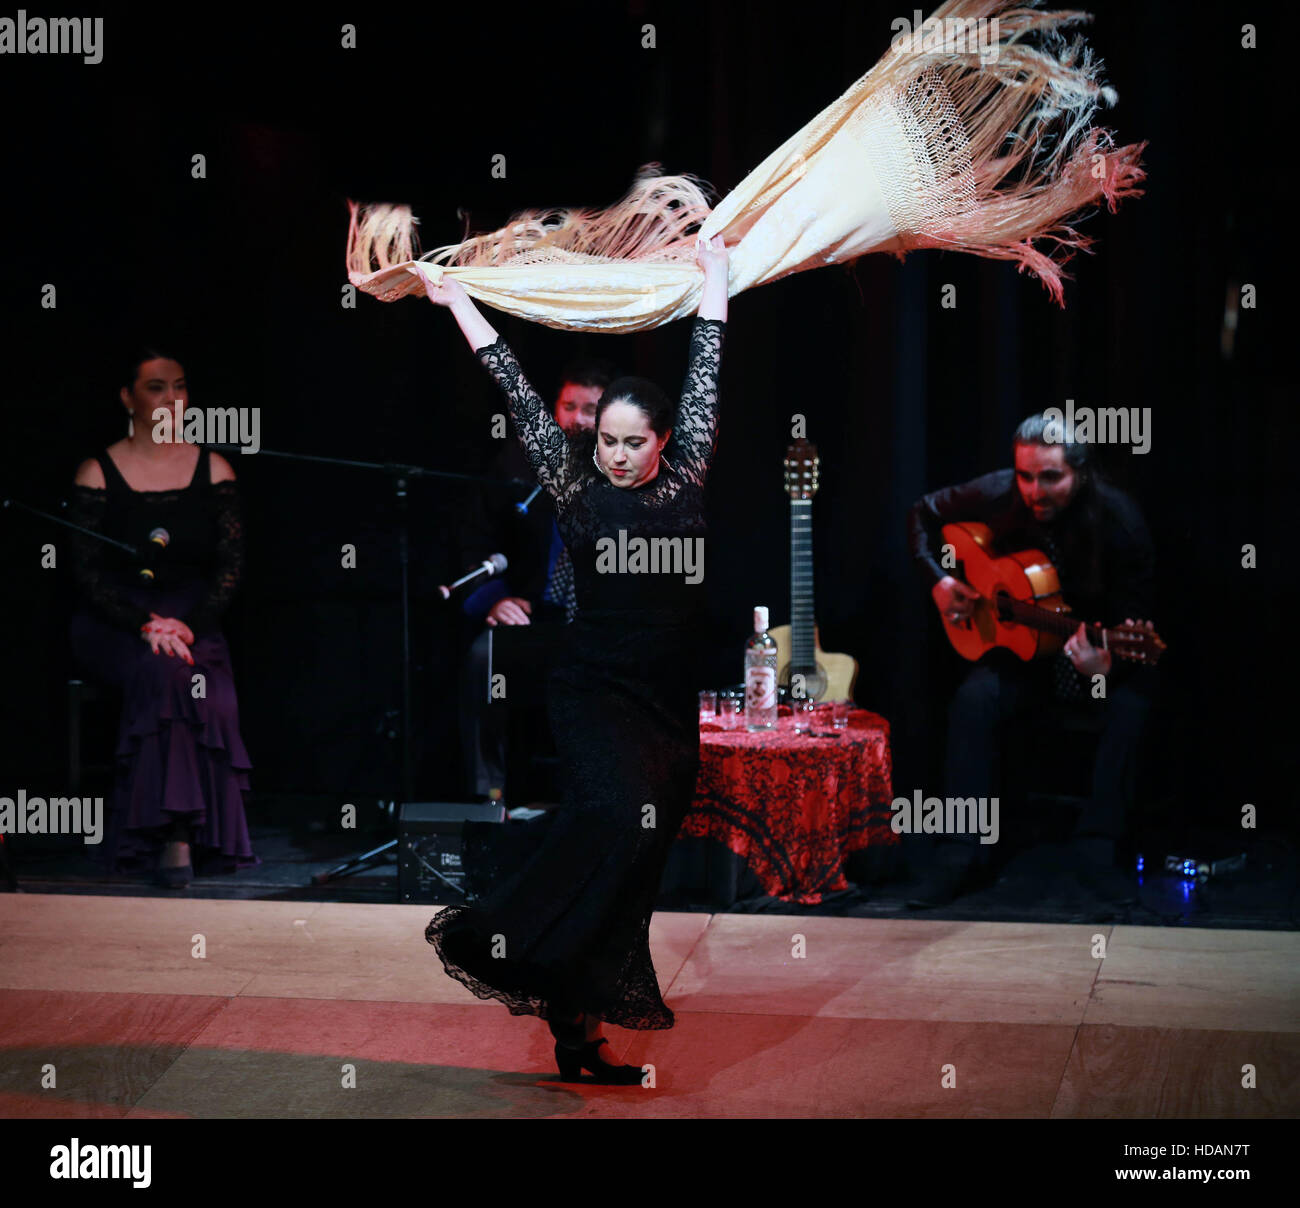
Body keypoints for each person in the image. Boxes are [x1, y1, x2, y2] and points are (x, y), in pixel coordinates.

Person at [420, 235, 728, 1083]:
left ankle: (575, 1023)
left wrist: (717, 281)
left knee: (636, 861)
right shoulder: (574, 486)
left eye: (634, 442)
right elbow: (514, 386)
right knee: (605, 820)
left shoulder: (689, 480)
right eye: (607, 440)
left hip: (667, 706)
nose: (617, 454)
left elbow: (709, 360)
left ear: (666, 439)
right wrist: (458, 304)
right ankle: (521, 945)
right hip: (593, 691)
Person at [905, 412, 1158, 908]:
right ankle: (962, 850)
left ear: (1080, 473)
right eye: (1025, 476)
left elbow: (1140, 617)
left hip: (1094, 656)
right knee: (975, 699)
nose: (1034, 491)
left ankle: (1097, 847)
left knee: (1130, 707)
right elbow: (921, 513)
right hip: (1025, 657)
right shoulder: (999, 492)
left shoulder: (1119, 522)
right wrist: (938, 580)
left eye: (1050, 477)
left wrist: (1110, 666)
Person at [67, 347, 258, 888]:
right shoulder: (98, 471)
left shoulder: (213, 466)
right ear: (128, 398)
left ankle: (199, 833)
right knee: (163, 673)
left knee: (202, 686)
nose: (171, 398)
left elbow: (230, 567)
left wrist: (189, 624)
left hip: (195, 618)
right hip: (119, 621)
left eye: (179, 386)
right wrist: (145, 623)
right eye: (156, 387)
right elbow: (88, 575)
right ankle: (170, 835)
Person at [455, 358, 617, 806]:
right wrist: (493, 602)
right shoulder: (517, 467)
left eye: (591, 409)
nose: (578, 419)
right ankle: (489, 798)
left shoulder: (623, 465)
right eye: (569, 406)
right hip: (535, 618)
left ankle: (608, 802)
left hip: (601, 624)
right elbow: (474, 543)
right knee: (483, 658)